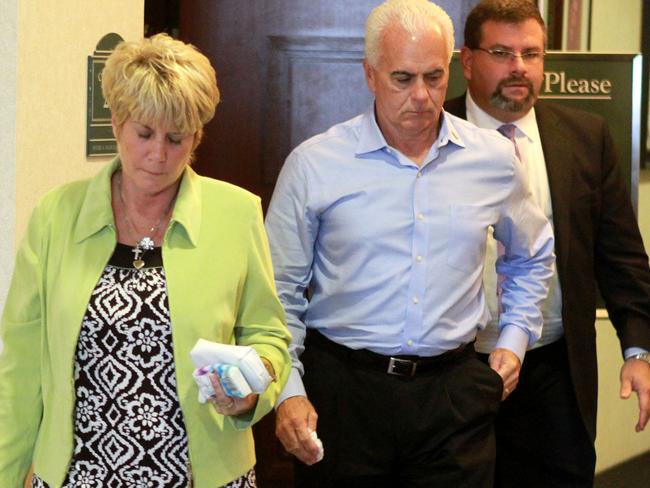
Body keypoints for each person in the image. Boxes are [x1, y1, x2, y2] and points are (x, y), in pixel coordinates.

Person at [264, 0, 555, 486]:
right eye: (402, 78)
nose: (421, 95)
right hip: (344, 392)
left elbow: (531, 256)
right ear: (370, 74)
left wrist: (514, 339)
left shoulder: (494, 160)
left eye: (434, 77)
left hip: (454, 397)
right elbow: (277, 291)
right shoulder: (315, 164)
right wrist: (288, 391)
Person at [0, 33, 291, 488]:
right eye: (144, 133)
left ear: (196, 135)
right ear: (116, 122)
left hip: (201, 475)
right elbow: (19, 371)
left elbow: (268, 335)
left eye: (177, 138)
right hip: (80, 475)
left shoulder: (236, 214)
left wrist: (256, 386)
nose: (158, 154)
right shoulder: (57, 216)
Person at [444, 0, 650, 486]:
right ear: (468, 61)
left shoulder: (585, 136)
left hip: (555, 371)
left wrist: (638, 351)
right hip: (454, 371)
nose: (519, 67)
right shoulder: (433, 133)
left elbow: (621, 257)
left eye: (531, 54)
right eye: (502, 52)